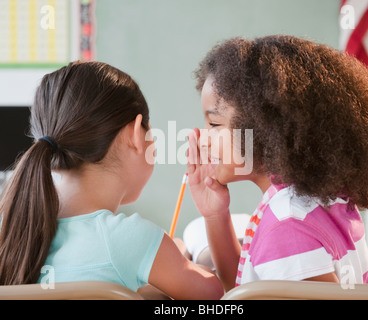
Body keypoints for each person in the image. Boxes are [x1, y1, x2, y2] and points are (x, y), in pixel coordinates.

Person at [187, 35, 368, 291]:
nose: (203, 139)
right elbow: (246, 291)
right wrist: (215, 215)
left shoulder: (288, 227)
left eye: (214, 124)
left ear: (265, 129)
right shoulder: (313, 199)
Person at [0, 61, 223, 300]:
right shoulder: (131, 239)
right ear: (136, 134)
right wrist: (173, 257)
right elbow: (211, 294)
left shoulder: (13, 231)